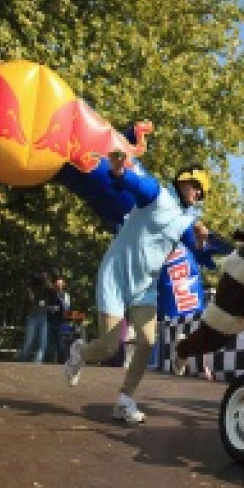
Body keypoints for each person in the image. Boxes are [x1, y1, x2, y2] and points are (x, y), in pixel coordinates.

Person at [64, 159, 209, 424]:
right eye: (196, 186)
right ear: (183, 180)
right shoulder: (158, 194)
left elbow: (194, 245)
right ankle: (80, 353)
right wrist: (120, 173)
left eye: (202, 193)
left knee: (147, 340)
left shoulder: (186, 218)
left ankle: (125, 400)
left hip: (145, 287)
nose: (198, 193)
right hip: (116, 278)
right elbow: (137, 184)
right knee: (109, 347)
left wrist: (200, 238)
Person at [17, 270, 51, 363]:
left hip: (43, 318)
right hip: (33, 317)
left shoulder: (47, 290)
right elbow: (29, 300)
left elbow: (51, 293)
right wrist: (30, 289)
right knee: (29, 341)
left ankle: (37, 362)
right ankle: (22, 360)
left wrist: (46, 280)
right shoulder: (32, 288)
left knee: (42, 342)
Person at [45, 275, 71, 364]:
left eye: (60, 284)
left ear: (63, 285)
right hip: (48, 320)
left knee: (60, 342)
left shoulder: (65, 295)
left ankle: (61, 362)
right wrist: (51, 308)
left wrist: (61, 300)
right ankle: (48, 361)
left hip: (60, 321)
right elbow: (44, 306)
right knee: (48, 342)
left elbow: (67, 308)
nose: (59, 286)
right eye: (57, 284)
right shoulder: (49, 294)